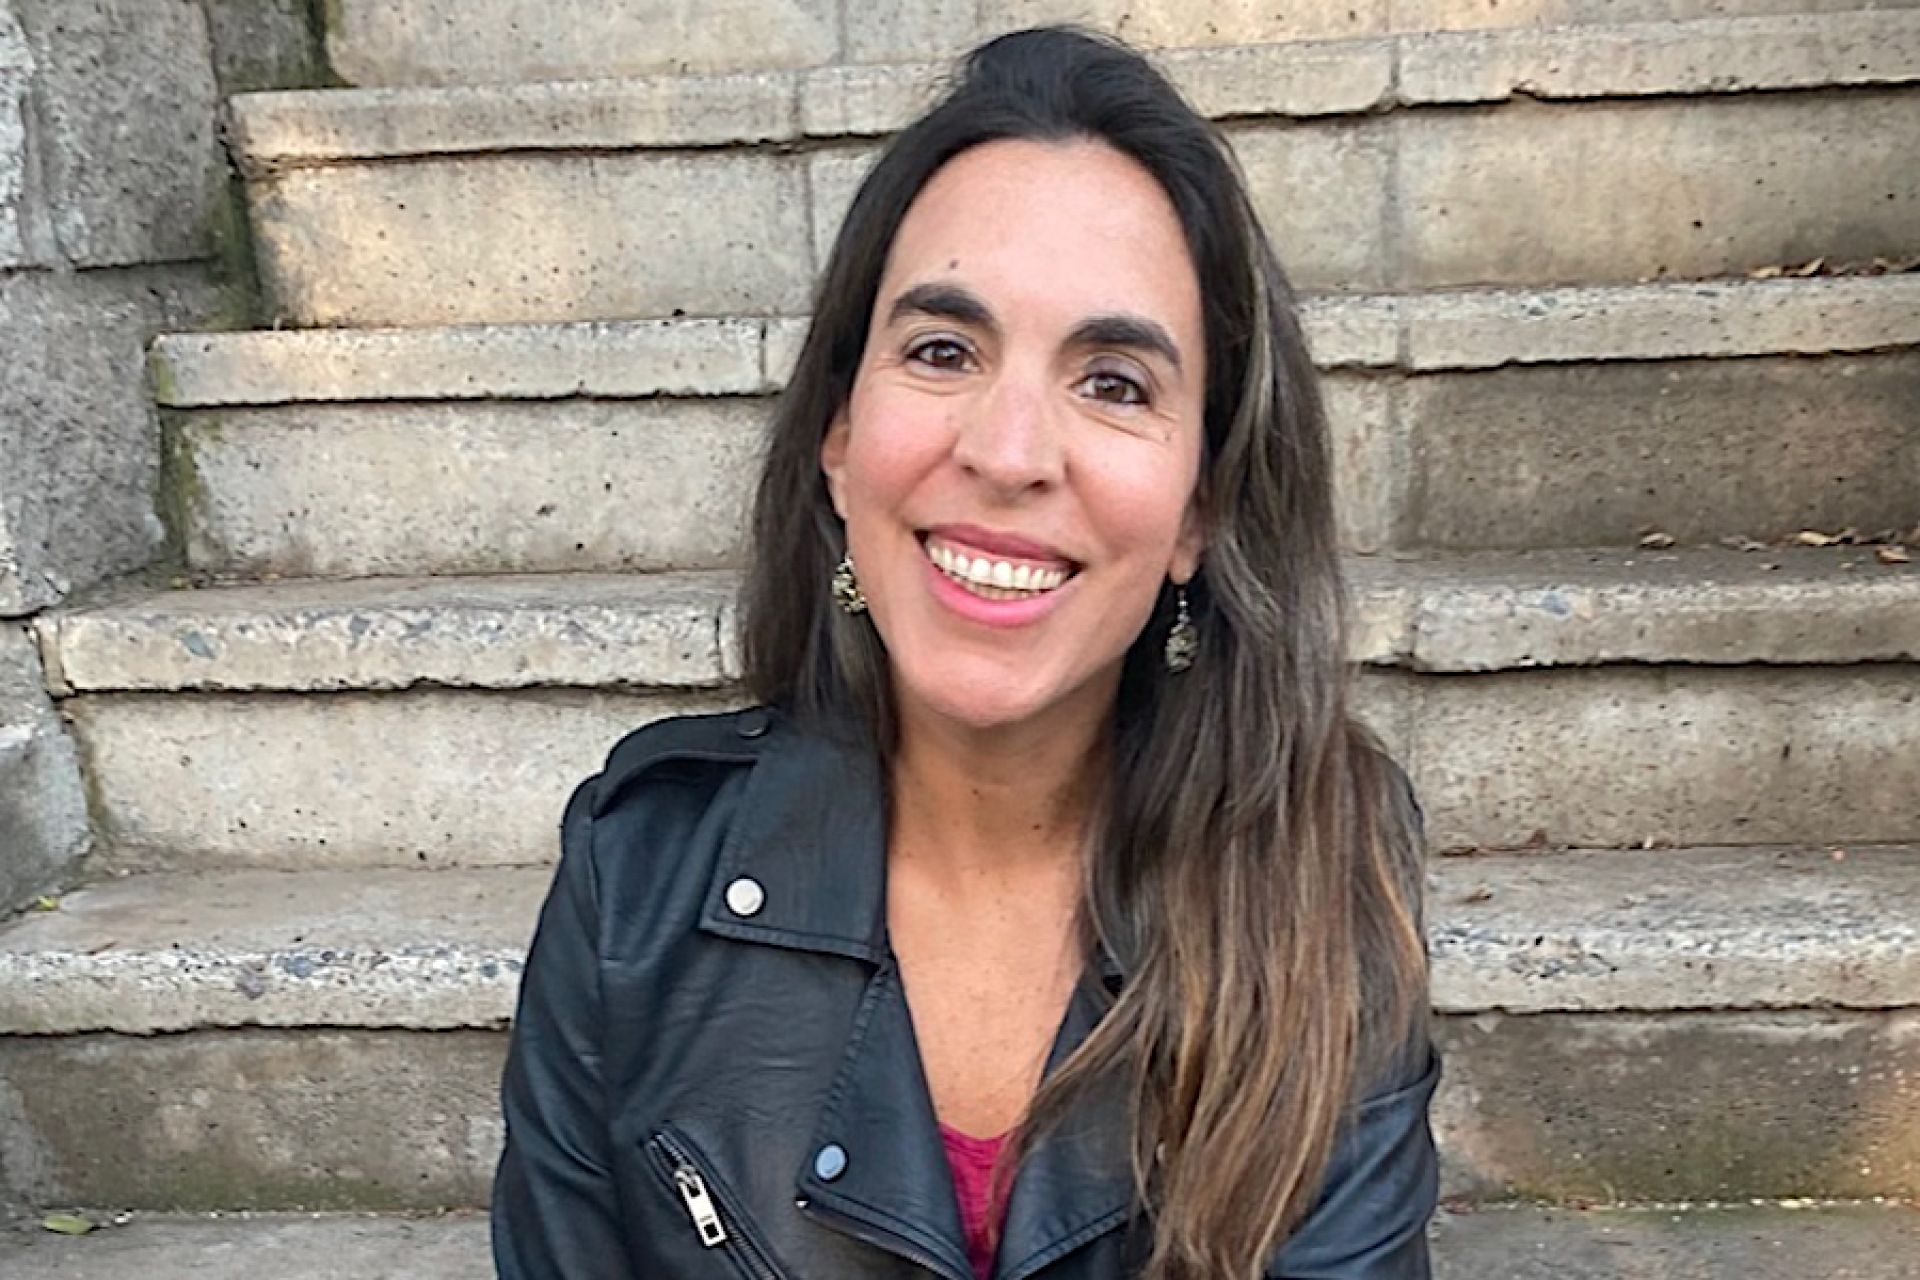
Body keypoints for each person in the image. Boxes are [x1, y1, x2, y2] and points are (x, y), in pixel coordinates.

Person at [492, 25, 1438, 1280]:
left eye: (1114, 381)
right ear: (839, 439)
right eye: (944, 351)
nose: (1007, 450)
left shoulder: (1319, 856)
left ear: (1199, 510)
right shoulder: (640, 872)